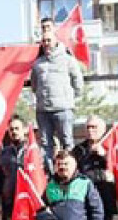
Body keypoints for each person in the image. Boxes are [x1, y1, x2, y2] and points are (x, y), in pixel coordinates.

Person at [30, 16, 83, 161]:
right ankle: (49, 173)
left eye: (49, 40)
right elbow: (34, 85)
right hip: (43, 110)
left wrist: (73, 97)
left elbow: (77, 79)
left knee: (67, 142)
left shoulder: (67, 59)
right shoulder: (37, 63)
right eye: (44, 41)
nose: (46, 44)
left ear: (55, 40)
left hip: (63, 108)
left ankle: (70, 171)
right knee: (46, 144)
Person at [72, 116, 118, 220]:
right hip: (84, 204)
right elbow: (76, 174)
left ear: (103, 129)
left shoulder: (112, 147)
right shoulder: (79, 151)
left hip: (105, 202)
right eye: (88, 127)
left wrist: (104, 155)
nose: (91, 131)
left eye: (94, 127)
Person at [44, 150, 104, 220]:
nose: (62, 167)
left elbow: (97, 212)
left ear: (74, 165)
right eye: (59, 164)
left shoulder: (85, 183)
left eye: (66, 164)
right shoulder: (49, 186)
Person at [0, 117, 31, 220]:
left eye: (17, 128)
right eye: (11, 129)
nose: (14, 132)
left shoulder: (34, 151)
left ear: (25, 130)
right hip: (9, 204)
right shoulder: (4, 153)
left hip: (28, 204)